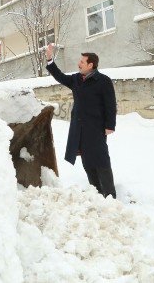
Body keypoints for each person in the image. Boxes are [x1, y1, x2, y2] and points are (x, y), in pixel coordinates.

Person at [45, 43, 117, 198]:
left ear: (91, 65)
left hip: (97, 127)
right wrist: (50, 60)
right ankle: (96, 191)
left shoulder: (103, 81)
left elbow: (110, 104)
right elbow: (60, 77)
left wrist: (110, 125)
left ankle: (110, 195)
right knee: (87, 159)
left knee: (101, 158)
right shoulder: (76, 79)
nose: (79, 64)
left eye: (82, 62)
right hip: (79, 127)